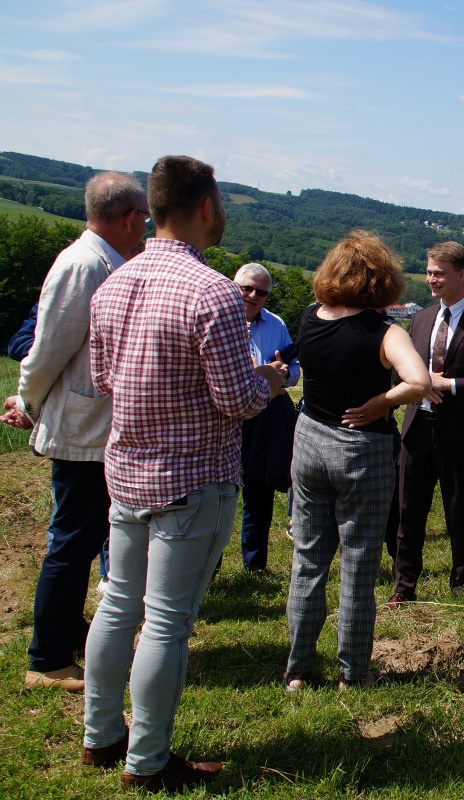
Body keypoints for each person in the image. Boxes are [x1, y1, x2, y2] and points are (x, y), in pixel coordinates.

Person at [84, 155, 286, 791]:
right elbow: (235, 400)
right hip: (193, 478)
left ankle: (100, 735)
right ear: (206, 208)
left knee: (117, 605)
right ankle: (147, 762)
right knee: (167, 621)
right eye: (220, 203)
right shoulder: (214, 293)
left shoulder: (114, 282)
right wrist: (271, 383)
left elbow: (101, 380)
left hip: (126, 470)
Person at [1, 173, 147, 695]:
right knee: (70, 543)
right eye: (143, 217)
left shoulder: (104, 260)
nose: (145, 226)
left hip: (95, 429)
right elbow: (47, 347)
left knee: (83, 541)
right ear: (129, 217)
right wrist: (27, 399)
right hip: (81, 430)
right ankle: (47, 658)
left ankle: (66, 634)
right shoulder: (83, 264)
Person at [285, 231, 430, 691]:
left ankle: (298, 669)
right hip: (361, 450)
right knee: (359, 564)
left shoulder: (310, 317)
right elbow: (419, 381)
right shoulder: (386, 332)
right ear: (383, 280)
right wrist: (382, 402)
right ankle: (353, 670)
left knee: (308, 561)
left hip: (308, 440)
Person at [388, 240, 464, 603]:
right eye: (428, 272)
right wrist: (413, 387)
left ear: (461, 274)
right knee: (408, 511)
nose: (431, 280)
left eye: (439, 273)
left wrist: (447, 384)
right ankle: (404, 586)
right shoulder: (421, 318)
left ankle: (462, 586)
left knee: (459, 511)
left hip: (461, 435)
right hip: (417, 430)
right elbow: (401, 372)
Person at [235, 262, 301, 571]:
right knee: (217, 494)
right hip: (224, 417)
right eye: (246, 288)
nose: (252, 296)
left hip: (263, 415)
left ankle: (255, 564)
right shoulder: (217, 317)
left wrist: (286, 373)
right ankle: (210, 565)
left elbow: (296, 368)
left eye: (260, 292)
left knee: (258, 492)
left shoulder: (276, 325)